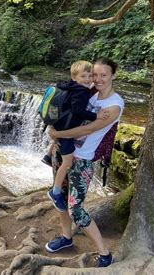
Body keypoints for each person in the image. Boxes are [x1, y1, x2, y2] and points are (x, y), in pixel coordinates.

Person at [45, 58, 124, 268]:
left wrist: (56, 134)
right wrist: (56, 141)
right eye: (94, 74)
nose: (97, 79)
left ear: (113, 75)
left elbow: (88, 129)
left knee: (76, 209)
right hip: (63, 151)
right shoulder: (88, 92)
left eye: (103, 75)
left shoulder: (114, 105)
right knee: (59, 197)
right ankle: (66, 236)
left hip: (82, 160)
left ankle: (105, 253)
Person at [42, 60, 109, 213]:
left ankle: (47, 155)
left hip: (61, 124)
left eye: (90, 76)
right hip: (66, 132)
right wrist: (95, 115)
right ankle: (55, 191)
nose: (88, 79)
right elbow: (78, 110)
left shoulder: (71, 86)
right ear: (74, 78)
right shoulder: (80, 91)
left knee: (63, 155)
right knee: (67, 162)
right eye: (83, 76)